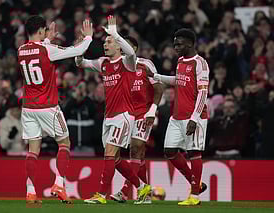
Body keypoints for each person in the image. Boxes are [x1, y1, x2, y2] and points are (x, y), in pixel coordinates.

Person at [75, 16, 151, 205]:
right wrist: (82, 45)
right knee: (114, 158)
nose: (105, 45)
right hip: (108, 117)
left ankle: (101, 194)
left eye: (109, 42)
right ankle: (142, 188)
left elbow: (132, 54)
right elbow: (80, 63)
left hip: (124, 115)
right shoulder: (103, 63)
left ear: (119, 46)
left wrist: (115, 33)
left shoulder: (127, 63)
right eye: (105, 42)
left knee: (109, 153)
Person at [18, 15, 93, 204]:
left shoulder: (21, 50)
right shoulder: (47, 49)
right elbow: (77, 50)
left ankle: (31, 192)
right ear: (42, 30)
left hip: (28, 107)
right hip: (48, 106)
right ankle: (59, 184)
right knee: (64, 143)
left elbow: (37, 49)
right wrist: (88, 37)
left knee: (33, 150)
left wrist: (46, 40)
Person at [147, 28, 209, 206]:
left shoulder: (200, 63)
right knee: (169, 151)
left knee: (194, 153)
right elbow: (178, 80)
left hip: (193, 117)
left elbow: (203, 93)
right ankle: (196, 183)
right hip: (177, 116)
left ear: (190, 43)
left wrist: (195, 118)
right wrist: (157, 76)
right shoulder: (181, 61)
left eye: (179, 43)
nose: (176, 46)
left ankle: (194, 197)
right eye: (174, 43)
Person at [110, 36, 163, 204]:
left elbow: (159, 87)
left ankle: (124, 192)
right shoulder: (118, 67)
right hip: (126, 113)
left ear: (133, 48)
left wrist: (152, 110)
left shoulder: (145, 64)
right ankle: (146, 193)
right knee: (137, 154)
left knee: (136, 147)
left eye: (126, 46)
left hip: (143, 113)